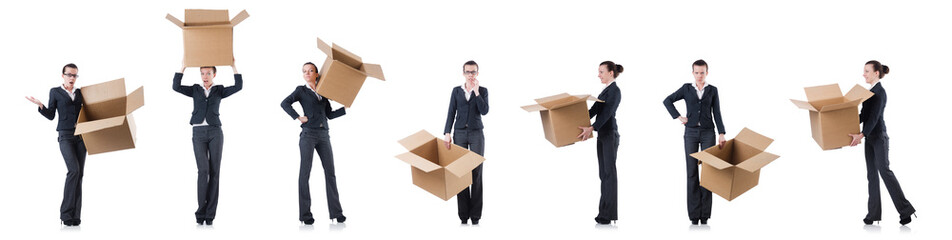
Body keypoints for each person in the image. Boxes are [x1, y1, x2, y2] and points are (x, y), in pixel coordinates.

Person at [172, 61, 242, 225]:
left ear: (214, 74)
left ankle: (210, 215)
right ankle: (200, 212)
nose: (205, 76)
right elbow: (176, 86)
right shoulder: (195, 89)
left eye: (208, 73)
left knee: (215, 171)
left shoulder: (219, 90)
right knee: (203, 171)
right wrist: (183, 67)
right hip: (198, 132)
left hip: (215, 132)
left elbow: (239, 86)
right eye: (202, 73)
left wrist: (233, 66)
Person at [848, 60, 916, 225]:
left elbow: (874, 118)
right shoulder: (868, 92)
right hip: (869, 138)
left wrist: (862, 134)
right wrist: (844, 122)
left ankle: (906, 211)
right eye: (864, 71)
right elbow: (863, 116)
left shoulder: (880, 92)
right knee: (872, 175)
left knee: (884, 171)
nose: (863, 74)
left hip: (879, 137)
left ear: (876, 73)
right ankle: (873, 215)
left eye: (866, 71)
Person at [280, 62, 348, 225]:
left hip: (324, 134)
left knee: (330, 172)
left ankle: (336, 213)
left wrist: (345, 108)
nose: (307, 73)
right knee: (305, 173)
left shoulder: (324, 92)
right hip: (308, 135)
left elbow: (329, 114)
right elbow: (284, 103)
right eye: (304, 71)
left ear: (317, 74)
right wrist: (298, 117)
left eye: (311, 71)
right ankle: (305, 215)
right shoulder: (301, 90)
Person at [662, 59, 726, 225]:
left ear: (707, 73)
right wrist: (678, 116)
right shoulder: (686, 88)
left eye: (702, 72)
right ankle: (693, 215)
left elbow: (717, 112)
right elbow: (667, 100)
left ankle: (704, 215)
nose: (699, 75)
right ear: (693, 73)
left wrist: (721, 133)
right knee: (691, 173)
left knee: (707, 173)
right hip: (690, 133)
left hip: (708, 133)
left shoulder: (713, 90)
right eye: (696, 72)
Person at [26, 63, 86, 227]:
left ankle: (75, 216)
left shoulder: (81, 93)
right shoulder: (55, 92)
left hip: (81, 137)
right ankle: (66, 214)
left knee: (79, 175)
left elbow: (88, 112)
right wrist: (41, 106)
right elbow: (51, 115)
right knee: (73, 170)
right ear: (63, 75)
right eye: (70, 75)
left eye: (75, 75)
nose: (72, 78)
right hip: (65, 136)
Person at [443, 60, 489, 225]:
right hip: (460, 134)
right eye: (468, 72)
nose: (471, 75)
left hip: (477, 134)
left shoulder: (482, 91)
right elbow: (451, 112)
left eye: (473, 72)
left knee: (476, 173)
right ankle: (463, 216)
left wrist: (476, 93)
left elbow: (484, 111)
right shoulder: (456, 91)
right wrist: (447, 133)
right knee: (460, 173)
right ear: (463, 73)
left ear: (477, 73)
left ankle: (475, 216)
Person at [579, 61, 622, 225]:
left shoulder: (615, 91)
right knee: (603, 174)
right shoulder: (605, 91)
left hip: (610, 134)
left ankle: (609, 215)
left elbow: (606, 114)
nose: (599, 75)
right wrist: (573, 120)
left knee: (609, 174)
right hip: (602, 135)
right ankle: (603, 213)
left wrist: (592, 128)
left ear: (611, 73)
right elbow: (594, 111)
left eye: (601, 72)